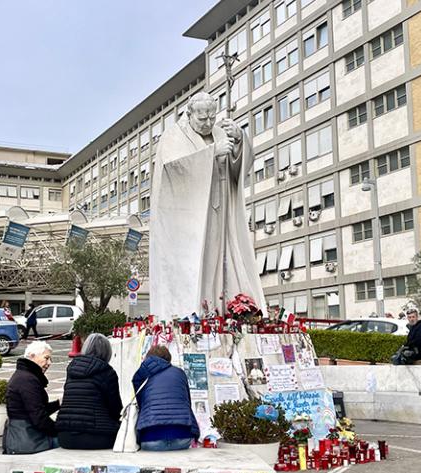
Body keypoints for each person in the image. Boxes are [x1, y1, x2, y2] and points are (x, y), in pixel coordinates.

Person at [149, 91, 266, 320]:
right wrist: (212, 154)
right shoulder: (172, 136)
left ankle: (228, 309)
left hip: (221, 210)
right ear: (190, 114)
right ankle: (197, 312)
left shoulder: (219, 132)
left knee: (226, 260)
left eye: (212, 117)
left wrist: (240, 140)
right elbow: (173, 169)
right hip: (190, 220)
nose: (208, 123)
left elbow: (240, 168)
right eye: (202, 119)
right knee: (201, 263)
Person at [56, 333, 123, 449]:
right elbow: (115, 408)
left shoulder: (71, 369)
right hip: (96, 437)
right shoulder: (107, 372)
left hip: (65, 436)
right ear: (107, 352)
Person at [132, 345, 199, 451]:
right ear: (168, 359)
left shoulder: (141, 376)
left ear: (148, 358)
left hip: (151, 439)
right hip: (182, 438)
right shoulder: (179, 373)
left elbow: (142, 406)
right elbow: (187, 403)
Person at [4, 341, 59, 454]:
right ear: (32, 356)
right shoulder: (27, 380)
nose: (49, 363)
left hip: (22, 437)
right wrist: (60, 430)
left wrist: (58, 404)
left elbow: (35, 409)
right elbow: (38, 418)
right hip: (28, 441)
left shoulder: (23, 376)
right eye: (46, 358)